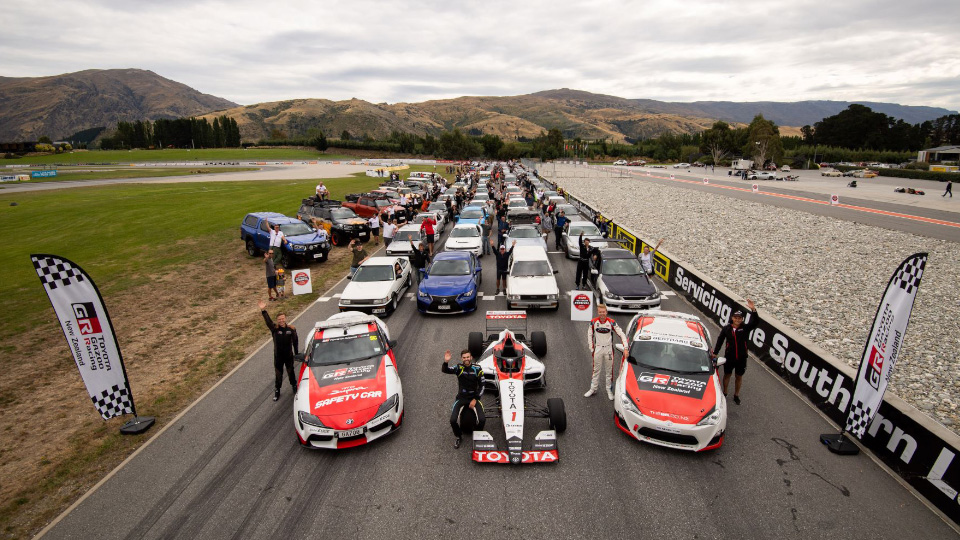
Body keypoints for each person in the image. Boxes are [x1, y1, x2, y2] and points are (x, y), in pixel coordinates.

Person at [711, 299, 758, 405]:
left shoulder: (745, 328)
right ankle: (725, 392)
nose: (737, 319)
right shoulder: (727, 328)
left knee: (739, 376)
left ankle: (736, 395)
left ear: (742, 319)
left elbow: (755, 322)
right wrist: (716, 352)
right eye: (735, 317)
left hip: (741, 358)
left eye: (739, 318)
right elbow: (720, 340)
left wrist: (753, 310)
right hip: (729, 357)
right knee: (727, 375)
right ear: (732, 318)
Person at [441, 349, 485, 449]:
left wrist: (476, 399)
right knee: (452, 420)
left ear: (471, 357)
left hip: (474, 398)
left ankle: (477, 436)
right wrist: (446, 362)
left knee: (482, 420)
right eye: (464, 357)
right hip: (461, 398)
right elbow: (445, 370)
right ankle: (458, 437)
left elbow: (483, 385)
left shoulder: (477, 368)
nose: (466, 359)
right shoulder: (458, 368)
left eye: (468, 357)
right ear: (462, 358)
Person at [258, 299, 299, 401]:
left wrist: (297, 353)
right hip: (278, 357)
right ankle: (277, 391)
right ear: (277, 320)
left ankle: (294, 387)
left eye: (282, 318)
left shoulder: (291, 329)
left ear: (285, 319)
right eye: (279, 319)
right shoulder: (275, 329)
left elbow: (295, 342)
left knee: (291, 372)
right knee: (278, 375)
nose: (281, 320)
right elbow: (268, 322)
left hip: (288, 356)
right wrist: (264, 311)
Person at [585, 304, 628, 400]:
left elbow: (621, 334)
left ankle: (609, 390)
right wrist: (591, 348)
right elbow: (589, 335)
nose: (602, 314)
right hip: (598, 349)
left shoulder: (611, 322)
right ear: (598, 312)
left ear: (606, 312)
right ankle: (593, 388)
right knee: (596, 370)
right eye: (600, 312)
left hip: (608, 349)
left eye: (603, 312)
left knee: (609, 371)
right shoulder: (593, 322)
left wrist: (625, 347)